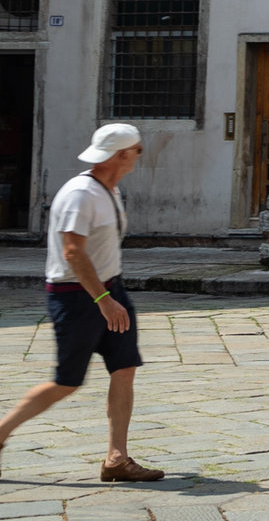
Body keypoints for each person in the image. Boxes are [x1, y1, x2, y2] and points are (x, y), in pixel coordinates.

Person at [0, 123, 164, 482]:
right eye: (137, 150)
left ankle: (116, 458)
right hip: (77, 297)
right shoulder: (80, 194)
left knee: (124, 368)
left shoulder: (110, 190)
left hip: (109, 291)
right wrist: (104, 300)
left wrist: (111, 295)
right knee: (67, 381)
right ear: (122, 155)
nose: (140, 155)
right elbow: (73, 252)